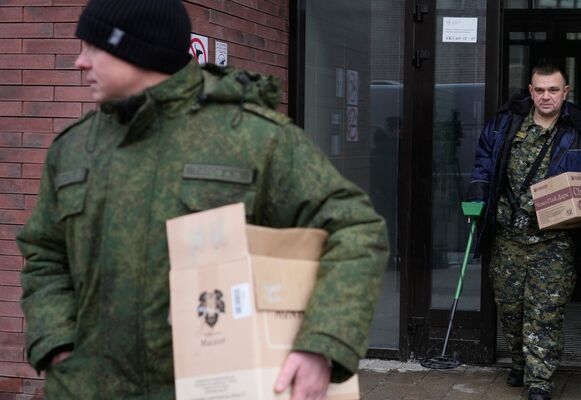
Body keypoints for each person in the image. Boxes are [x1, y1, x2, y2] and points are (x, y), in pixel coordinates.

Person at [17, 0, 388, 398]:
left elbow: (355, 230)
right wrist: (55, 341)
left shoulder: (252, 138)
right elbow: (45, 252)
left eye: (94, 46)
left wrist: (320, 344)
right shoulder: (73, 149)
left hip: (216, 387)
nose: (80, 62)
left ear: (136, 48)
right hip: (85, 388)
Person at [466, 64, 581, 400]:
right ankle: (520, 362)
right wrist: (477, 195)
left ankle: (539, 380)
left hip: (555, 239)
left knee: (545, 311)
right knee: (510, 307)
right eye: (540, 90)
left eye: (554, 90)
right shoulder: (505, 123)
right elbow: (484, 161)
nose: (547, 96)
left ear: (566, 92)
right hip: (508, 235)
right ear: (531, 92)